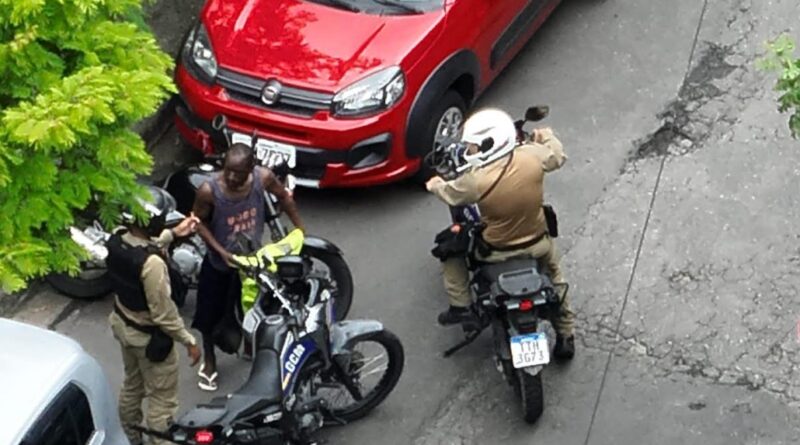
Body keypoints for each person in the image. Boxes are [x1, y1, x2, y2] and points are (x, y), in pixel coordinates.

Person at [426, 108, 576, 359]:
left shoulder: (475, 181)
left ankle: (462, 307)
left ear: (489, 144)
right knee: (556, 277)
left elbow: (450, 194)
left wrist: (435, 184)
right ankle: (566, 334)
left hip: (494, 251)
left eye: (473, 146)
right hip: (538, 243)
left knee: (449, 249)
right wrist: (546, 135)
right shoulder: (533, 156)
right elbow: (557, 156)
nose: (470, 149)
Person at [192, 143, 305, 391]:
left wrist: (300, 230)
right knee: (210, 315)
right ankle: (209, 361)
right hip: (220, 264)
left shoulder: (263, 178)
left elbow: (283, 197)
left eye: (239, 173)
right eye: (228, 171)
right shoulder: (209, 191)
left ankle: (249, 345)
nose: (232, 178)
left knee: (254, 306)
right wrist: (221, 252)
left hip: (252, 259)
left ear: (251, 169)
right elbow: (198, 222)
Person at [106, 191, 202, 445]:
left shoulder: (117, 238)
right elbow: (164, 315)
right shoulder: (153, 265)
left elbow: (140, 245)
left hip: (123, 325)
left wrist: (172, 234)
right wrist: (189, 340)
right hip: (149, 339)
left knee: (133, 385)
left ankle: (132, 438)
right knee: (162, 401)